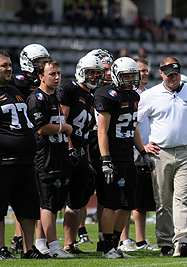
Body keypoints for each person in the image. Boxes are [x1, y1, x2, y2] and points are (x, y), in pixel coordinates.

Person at [137, 57, 187, 257]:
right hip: (160, 153)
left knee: (182, 198)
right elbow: (134, 122)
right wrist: (144, 146)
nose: (173, 78)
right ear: (161, 73)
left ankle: (182, 240)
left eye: (176, 74)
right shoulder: (150, 95)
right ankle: (165, 242)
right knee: (162, 200)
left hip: (186, 152)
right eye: (169, 74)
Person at [94, 57, 155, 259]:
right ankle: (106, 248)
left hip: (129, 157)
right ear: (117, 77)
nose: (130, 80)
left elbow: (133, 127)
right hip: (114, 157)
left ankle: (115, 244)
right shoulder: (107, 94)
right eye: (126, 77)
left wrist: (143, 152)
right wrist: (105, 159)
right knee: (112, 203)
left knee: (128, 203)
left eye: (133, 76)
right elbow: (102, 132)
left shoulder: (134, 96)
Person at [0, 51, 43, 259]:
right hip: (1, 161)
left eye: (10, 65)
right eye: (4, 65)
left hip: (26, 161)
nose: (9, 69)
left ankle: (29, 249)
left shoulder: (15, 91)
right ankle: (0, 248)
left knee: (28, 208)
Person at [57, 55, 104, 255]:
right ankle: (44, 244)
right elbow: (62, 121)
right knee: (51, 202)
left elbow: (84, 132)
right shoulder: (69, 89)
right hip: (64, 152)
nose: (94, 77)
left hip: (81, 152)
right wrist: (69, 148)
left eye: (97, 73)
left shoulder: (92, 96)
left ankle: (70, 244)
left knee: (76, 201)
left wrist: (85, 156)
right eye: (90, 72)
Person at [26, 59, 74, 259]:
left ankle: (41, 243)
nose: (56, 77)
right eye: (52, 74)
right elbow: (41, 127)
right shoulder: (37, 98)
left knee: (53, 202)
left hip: (58, 154)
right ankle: (54, 246)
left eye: (58, 73)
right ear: (41, 76)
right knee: (48, 202)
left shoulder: (54, 97)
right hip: (45, 156)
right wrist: (65, 127)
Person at [119, 58, 160, 252]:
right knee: (128, 198)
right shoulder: (127, 94)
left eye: (145, 71)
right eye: (139, 71)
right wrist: (141, 146)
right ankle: (124, 239)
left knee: (142, 202)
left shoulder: (151, 95)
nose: (143, 74)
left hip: (145, 152)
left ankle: (141, 240)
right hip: (131, 150)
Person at [79, 49, 113, 248]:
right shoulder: (84, 90)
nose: (106, 74)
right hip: (87, 144)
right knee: (81, 194)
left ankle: (103, 234)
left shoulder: (113, 92)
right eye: (103, 70)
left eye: (108, 70)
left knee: (104, 193)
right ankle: (81, 230)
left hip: (105, 147)